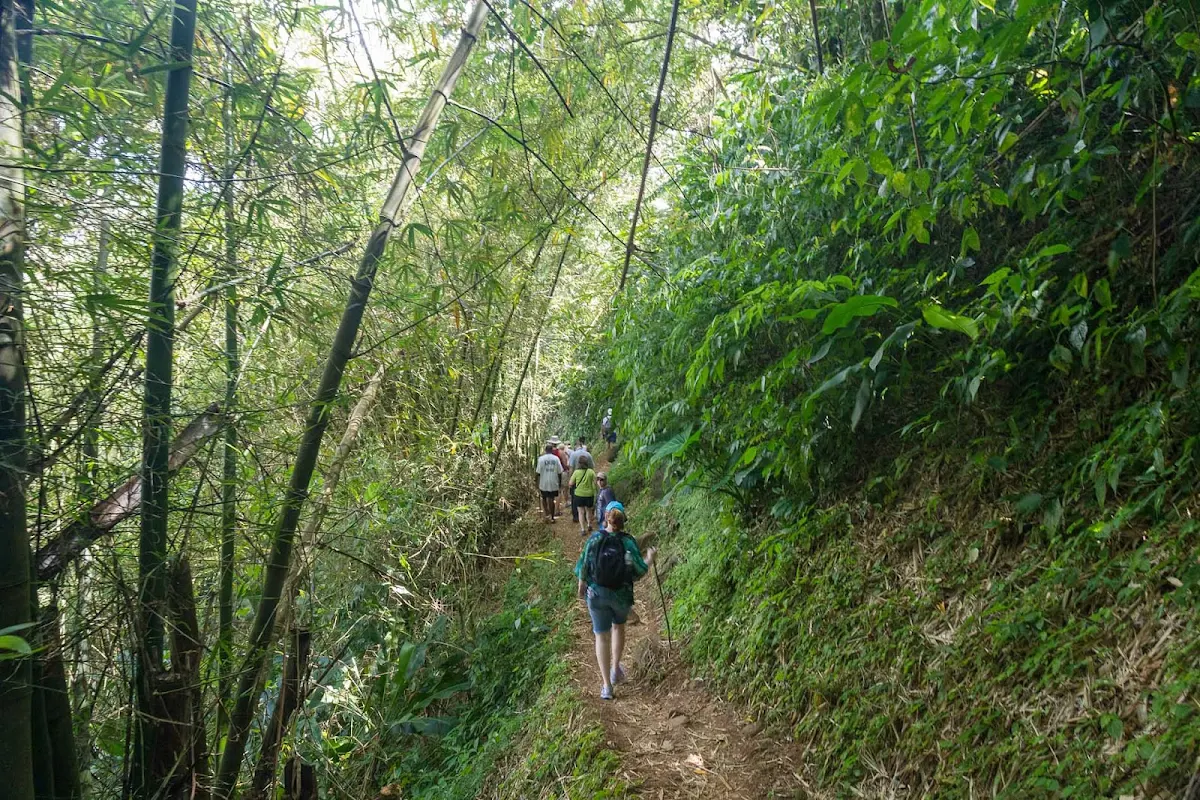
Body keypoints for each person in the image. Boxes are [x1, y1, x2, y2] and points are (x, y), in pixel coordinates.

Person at [575, 506, 654, 700]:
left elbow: (583, 568)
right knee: (619, 627)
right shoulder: (628, 542)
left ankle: (606, 687)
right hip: (621, 596)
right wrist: (650, 559)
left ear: (606, 519)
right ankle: (615, 669)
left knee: (601, 637)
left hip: (596, 595)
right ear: (622, 520)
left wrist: (581, 590)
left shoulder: (594, 539)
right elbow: (638, 571)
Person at [535, 443, 564, 522]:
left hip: (543, 482)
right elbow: (560, 472)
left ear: (545, 450)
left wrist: (536, 483)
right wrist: (560, 483)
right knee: (551, 499)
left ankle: (546, 514)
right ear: (552, 450)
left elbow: (537, 473)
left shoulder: (541, 459)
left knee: (544, 498)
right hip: (553, 481)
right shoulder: (556, 459)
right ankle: (552, 517)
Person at [570, 453, 597, 536]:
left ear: (579, 463)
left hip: (579, 495)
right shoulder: (591, 472)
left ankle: (582, 529)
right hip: (589, 494)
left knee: (581, 512)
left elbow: (570, 483)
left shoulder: (576, 472)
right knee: (589, 511)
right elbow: (596, 483)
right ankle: (589, 525)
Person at [568, 438, 590, 523]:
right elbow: (591, 467)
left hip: (576, 478)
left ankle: (576, 516)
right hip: (586, 477)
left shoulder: (573, 455)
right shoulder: (588, 454)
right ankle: (585, 516)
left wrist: (570, 479)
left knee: (574, 498)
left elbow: (571, 468)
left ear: (576, 446)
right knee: (586, 495)